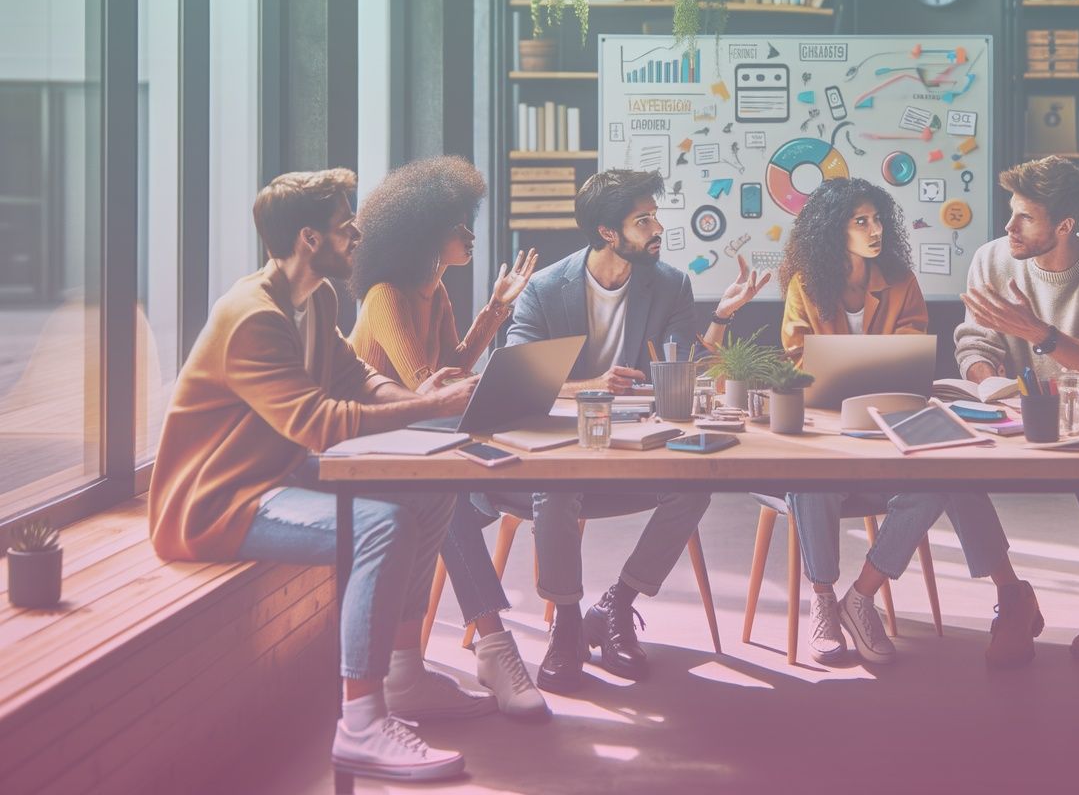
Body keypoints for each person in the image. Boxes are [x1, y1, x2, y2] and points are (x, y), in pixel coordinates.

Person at [148, 169, 484, 782]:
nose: (357, 235)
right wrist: (429, 408)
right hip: (219, 500)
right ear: (309, 238)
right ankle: (361, 721)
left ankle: (404, 673)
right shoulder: (252, 316)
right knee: (381, 526)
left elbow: (354, 378)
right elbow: (318, 423)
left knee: (432, 485)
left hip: (278, 473)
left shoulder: (317, 299)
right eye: (345, 226)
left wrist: (414, 391)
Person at [480, 168, 769, 693]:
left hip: (637, 447)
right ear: (608, 233)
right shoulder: (546, 290)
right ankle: (566, 624)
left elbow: (683, 373)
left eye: (655, 217)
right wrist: (590, 385)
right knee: (555, 485)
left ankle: (618, 602)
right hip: (566, 444)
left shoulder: (672, 284)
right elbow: (517, 374)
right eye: (644, 221)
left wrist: (720, 319)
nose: (657, 228)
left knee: (698, 482)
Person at [345, 156, 544, 718]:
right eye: (458, 225)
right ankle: (494, 644)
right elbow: (421, 383)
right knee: (454, 484)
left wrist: (496, 311)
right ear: (425, 233)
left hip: (418, 434)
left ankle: (486, 645)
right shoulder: (386, 293)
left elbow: (450, 367)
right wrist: (467, 382)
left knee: (452, 483)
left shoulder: (437, 291)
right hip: (375, 443)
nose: (470, 234)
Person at [954, 155, 1079, 660]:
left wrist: (1039, 335)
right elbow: (974, 346)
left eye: (1024, 217)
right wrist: (991, 387)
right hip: (1007, 410)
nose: (1008, 227)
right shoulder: (993, 258)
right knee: (948, 468)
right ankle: (1011, 595)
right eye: (1011, 212)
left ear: (1064, 226)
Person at [778, 178, 945, 665]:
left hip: (887, 426)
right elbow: (796, 362)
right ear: (835, 230)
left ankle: (862, 595)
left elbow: (911, 354)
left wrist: (849, 367)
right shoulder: (804, 285)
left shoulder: (901, 280)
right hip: (825, 427)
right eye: (861, 221)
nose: (875, 230)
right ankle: (824, 597)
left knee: (937, 485)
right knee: (810, 475)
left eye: (877, 220)